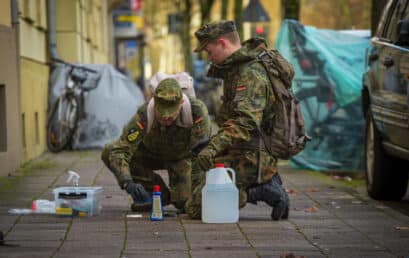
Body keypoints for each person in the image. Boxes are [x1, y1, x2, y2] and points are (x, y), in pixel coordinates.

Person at [185, 20, 290, 220]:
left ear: (223, 43)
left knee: (197, 209)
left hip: (253, 155)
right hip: (242, 149)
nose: (209, 57)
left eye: (209, 50)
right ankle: (265, 180)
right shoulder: (236, 70)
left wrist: (214, 147)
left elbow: (246, 122)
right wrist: (213, 144)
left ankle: (266, 189)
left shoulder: (250, 74)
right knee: (197, 179)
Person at [101, 77, 211, 212]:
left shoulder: (196, 111)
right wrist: (127, 182)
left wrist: (197, 193)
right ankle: (157, 193)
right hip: (150, 154)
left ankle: (178, 196)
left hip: (180, 159)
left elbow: (201, 155)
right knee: (109, 151)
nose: (165, 118)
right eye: (161, 113)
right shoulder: (144, 113)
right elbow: (120, 151)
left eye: (170, 115)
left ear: (181, 103)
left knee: (186, 205)